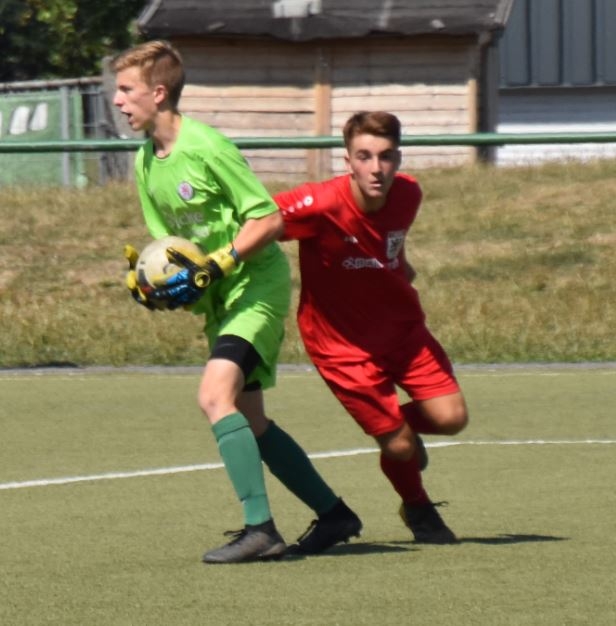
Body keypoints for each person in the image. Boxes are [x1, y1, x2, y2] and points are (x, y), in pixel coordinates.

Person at [111, 40, 361, 564]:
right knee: (251, 420)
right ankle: (334, 514)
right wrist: (154, 282)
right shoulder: (144, 161)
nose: (118, 100)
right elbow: (175, 248)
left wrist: (219, 264)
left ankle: (260, 529)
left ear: (159, 93)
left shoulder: (206, 147)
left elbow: (268, 219)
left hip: (255, 288)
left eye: (126, 89)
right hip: (222, 299)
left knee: (213, 397)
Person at [274, 111, 469, 543]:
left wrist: (399, 270)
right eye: (364, 156)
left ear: (398, 158)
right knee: (400, 447)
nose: (376, 167)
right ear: (347, 161)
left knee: (452, 418)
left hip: (402, 331)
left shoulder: (409, 194)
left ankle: (400, 432)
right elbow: (258, 218)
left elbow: (389, 245)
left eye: (385, 156)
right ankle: (417, 507)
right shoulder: (319, 203)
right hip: (342, 346)